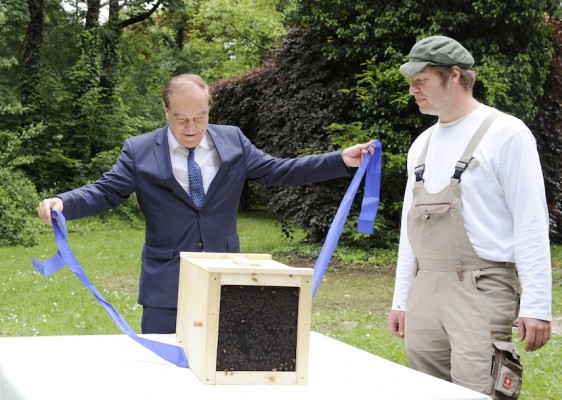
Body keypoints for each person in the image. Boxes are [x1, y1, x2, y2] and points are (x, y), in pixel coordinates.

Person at [37, 73, 372, 335]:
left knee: (222, 368)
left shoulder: (233, 140)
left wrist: (339, 160)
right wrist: (63, 202)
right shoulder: (139, 150)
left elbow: (278, 170)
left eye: (200, 117)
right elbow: (106, 191)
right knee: (163, 375)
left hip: (225, 279)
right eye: (181, 119)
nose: (191, 127)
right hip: (165, 287)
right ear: (166, 111)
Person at [387, 36, 552, 397]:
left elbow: (530, 221)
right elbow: (408, 230)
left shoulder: (507, 134)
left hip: (482, 288)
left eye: (421, 80)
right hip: (425, 288)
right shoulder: (422, 144)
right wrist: (402, 299)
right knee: (426, 388)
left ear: (455, 75)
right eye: (411, 81)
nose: (413, 90)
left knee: (480, 389)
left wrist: (538, 306)